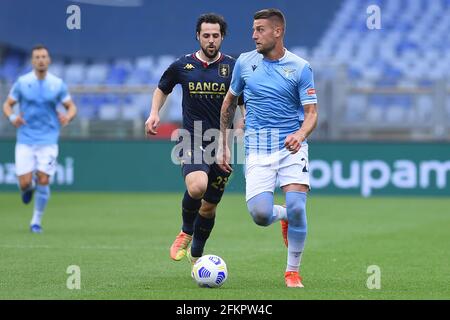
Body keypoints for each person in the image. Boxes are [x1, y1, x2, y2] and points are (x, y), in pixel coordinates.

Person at [218, 8, 318, 288]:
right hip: (258, 148)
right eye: (253, 29)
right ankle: (282, 215)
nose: (253, 35)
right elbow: (228, 103)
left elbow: (311, 113)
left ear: (278, 31)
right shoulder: (244, 63)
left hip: (291, 147)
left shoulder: (300, 67)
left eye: (260, 29)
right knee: (261, 216)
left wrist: (300, 134)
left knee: (298, 206)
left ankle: (292, 272)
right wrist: (223, 146)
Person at [145, 13, 240, 264]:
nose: (211, 40)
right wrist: (154, 113)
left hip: (221, 143)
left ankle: (197, 255)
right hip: (192, 137)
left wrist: (242, 124)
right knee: (196, 186)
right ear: (198, 36)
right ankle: (185, 231)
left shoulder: (233, 67)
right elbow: (162, 88)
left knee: (209, 207)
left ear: (222, 37)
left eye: (215, 36)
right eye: (206, 35)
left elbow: (243, 102)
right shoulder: (182, 65)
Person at [2, 44, 77, 233]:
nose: (41, 60)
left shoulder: (57, 84)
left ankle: (36, 221)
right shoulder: (22, 82)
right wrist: (12, 117)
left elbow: (72, 107)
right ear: (32, 61)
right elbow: (8, 105)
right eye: (37, 57)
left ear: (49, 60)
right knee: (25, 183)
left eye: (44, 56)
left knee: (44, 179)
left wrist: (67, 117)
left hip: (49, 140)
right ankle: (28, 188)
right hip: (26, 139)